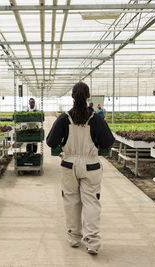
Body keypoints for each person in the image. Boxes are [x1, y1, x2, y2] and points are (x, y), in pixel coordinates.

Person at [47, 82, 114, 255]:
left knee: (71, 201)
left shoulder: (64, 118)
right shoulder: (96, 118)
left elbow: (51, 142)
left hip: (69, 165)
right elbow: (108, 142)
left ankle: (74, 238)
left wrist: (64, 144)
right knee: (91, 202)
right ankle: (92, 241)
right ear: (88, 97)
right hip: (91, 165)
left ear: (72, 97)